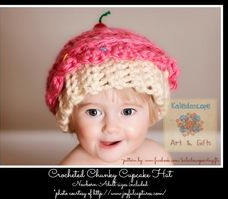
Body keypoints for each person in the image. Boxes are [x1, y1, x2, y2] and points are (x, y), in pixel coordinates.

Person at [45, 11, 180, 165]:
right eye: (93, 112)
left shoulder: (156, 158)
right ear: (71, 118)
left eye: (127, 111)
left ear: (152, 112)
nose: (111, 128)